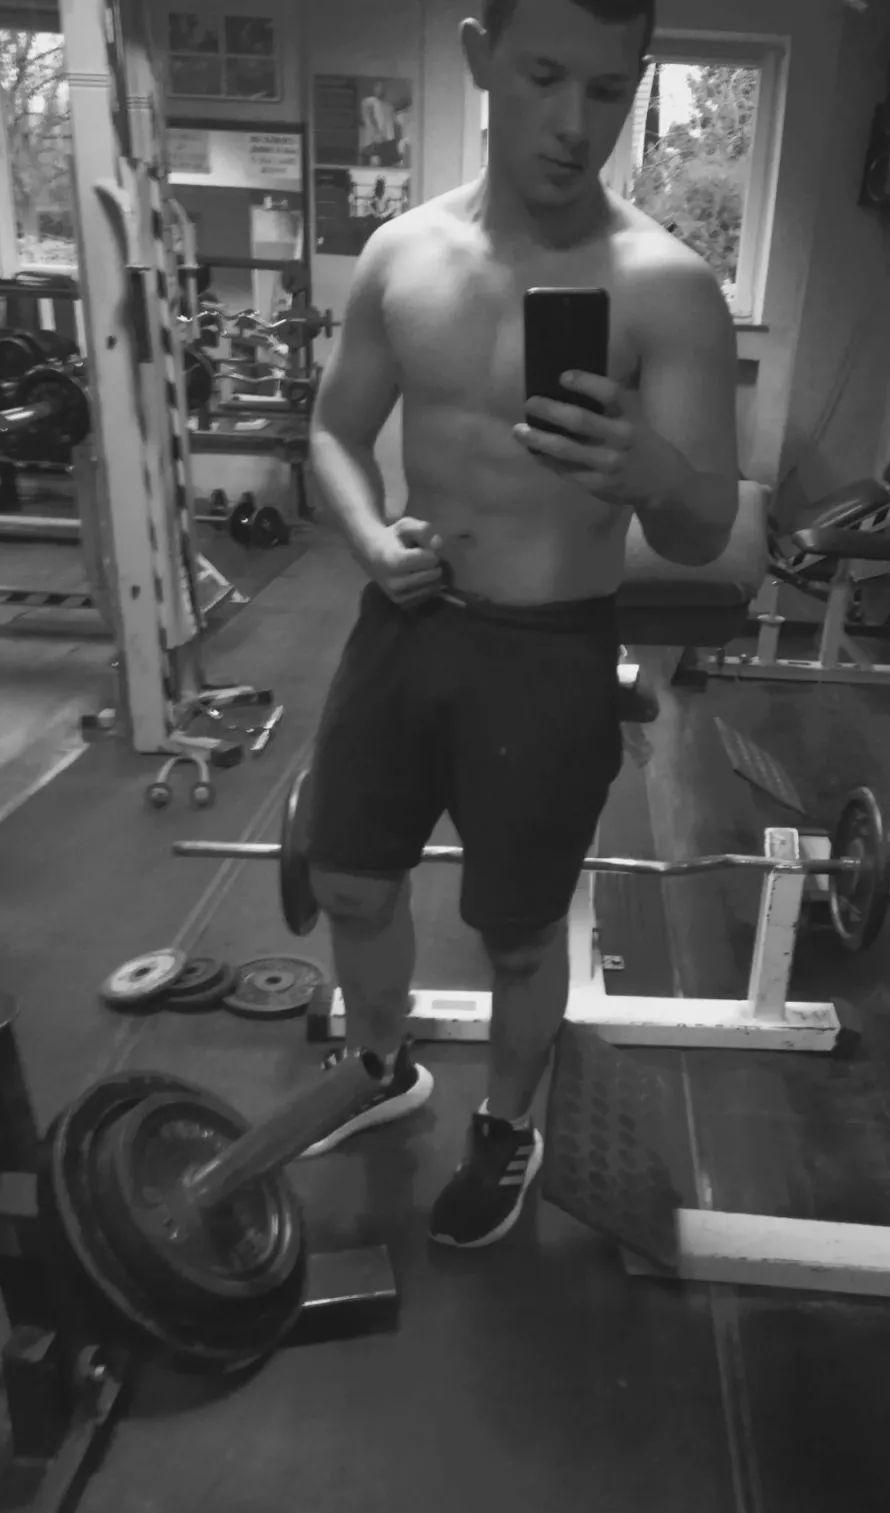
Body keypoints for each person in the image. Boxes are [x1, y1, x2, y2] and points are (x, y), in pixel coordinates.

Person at [304, 0, 739, 1250]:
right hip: (409, 620)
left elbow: (704, 529)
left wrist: (651, 470)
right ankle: (381, 1068)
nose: (570, 123)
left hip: (549, 651)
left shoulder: (667, 287)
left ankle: (504, 1125)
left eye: (605, 90)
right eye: (543, 75)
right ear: (478, 55)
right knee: (348, 881)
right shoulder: (401, 255)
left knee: (515, 930)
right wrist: (369, 537)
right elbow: (332, 433)